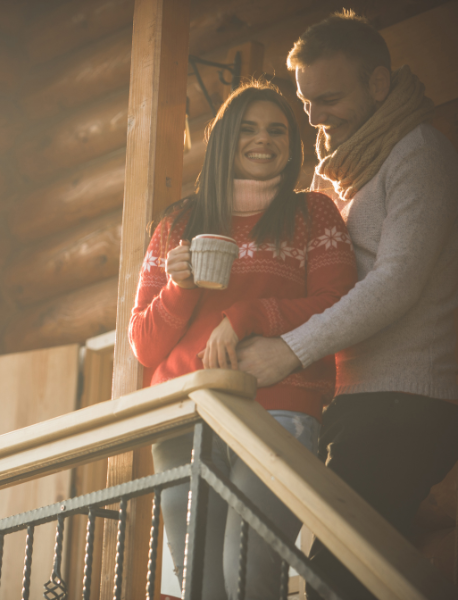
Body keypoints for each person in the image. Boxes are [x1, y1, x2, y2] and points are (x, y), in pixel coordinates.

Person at [235, 12, 458, 600]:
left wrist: (288, 351)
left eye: (329, 98)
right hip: (355, 403)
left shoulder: (420, 154)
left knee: (336, 578)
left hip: (406, 403)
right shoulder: (343, 174)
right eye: (306, 102)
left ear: (379, 84)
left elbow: (396, 284)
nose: (314, 116)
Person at [129, 83, 357, 600]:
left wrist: (250, 315)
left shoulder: (312, 214)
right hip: (182, 419)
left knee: (247, 571)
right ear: (226, 139)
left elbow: (339, 304)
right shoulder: (176, 224)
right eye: (248, 128)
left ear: (292, 143)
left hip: (276, 410)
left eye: (276, 129)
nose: (263, 139)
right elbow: (143, 345)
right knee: (202, 585)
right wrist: (178, 288)